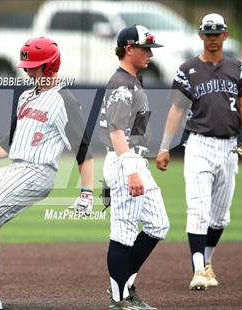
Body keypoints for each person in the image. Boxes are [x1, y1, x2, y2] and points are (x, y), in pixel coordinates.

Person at [0, 37, 94, 302]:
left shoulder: (64, 100)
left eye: (34, 66)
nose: (27, 70)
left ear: (50, 66)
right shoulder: (26, 96)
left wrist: (87, 192)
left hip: (39, 172)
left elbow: (84, 150)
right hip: (15, 169)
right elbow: (9, 144)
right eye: (26, 65)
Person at [156, 13, 242, 290]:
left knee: (221, 216)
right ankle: (198, 268)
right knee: (198, 210)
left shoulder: (237, 68)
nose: (213, 38)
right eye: (208, 33)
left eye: (217, 33)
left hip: (229, 147)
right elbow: (177, 109)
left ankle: (206, 263)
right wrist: (165, 147)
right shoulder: (187, 69)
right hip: (199, 144)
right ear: (201, 36)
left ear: (225, 35)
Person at [100, 25, 170, 310]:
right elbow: (116, 131)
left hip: (132, 160)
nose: (150, 55)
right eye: (146, 48)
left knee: (158, 223)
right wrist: (129, 170)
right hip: (124, 160)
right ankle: (119, 300)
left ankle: (124, 283)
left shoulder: (131, 80)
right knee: (123, 231)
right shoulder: (122, 84)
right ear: (129, 48)